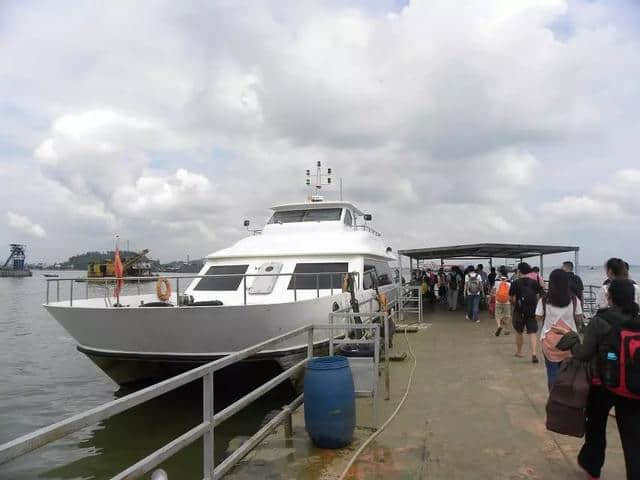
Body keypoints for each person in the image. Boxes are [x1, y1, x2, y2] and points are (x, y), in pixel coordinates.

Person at [555, 279, 640, 480]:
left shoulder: (600, 320)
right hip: (633, 386)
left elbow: (583, 354)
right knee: (633, 438)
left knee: (596, 428)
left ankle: (592, 468)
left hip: (602, 384)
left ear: (609, 297)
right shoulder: (637, 320)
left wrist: (572, 339)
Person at [535, 269, 582, 390]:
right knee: (568, 373)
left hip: (549, 341)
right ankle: (566, 398)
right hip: (569, 340)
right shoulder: (574, 300)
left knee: (552, 373)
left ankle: (554, 399)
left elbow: (538, 317)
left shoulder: (544, 300)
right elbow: (579, 318)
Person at [509, 262, 544, 362]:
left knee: (519, 331)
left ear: (519, 271)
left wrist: (514, 304)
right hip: (532, 310)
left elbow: (511, 297)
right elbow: (538, 296)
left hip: (519, 310)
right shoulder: (534, 282)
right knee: (532, 332)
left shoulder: (515, 283)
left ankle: (519, 352)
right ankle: (534, 353)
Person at [493, 266, 512, 337]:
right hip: (507, 301)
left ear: (500, 272)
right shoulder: (509, 281)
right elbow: (511, 292)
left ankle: (499, 326)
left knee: (498, 314)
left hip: (498, 300)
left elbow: (494, 290)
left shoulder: (497, 280)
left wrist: (492, 296)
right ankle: (506, 329)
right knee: (507, 315)